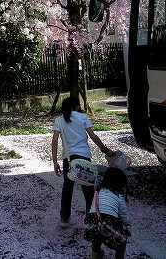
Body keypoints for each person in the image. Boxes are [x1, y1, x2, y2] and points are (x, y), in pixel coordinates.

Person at [51, 96, 115, 227]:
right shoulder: (83, 118)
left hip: (68, 159)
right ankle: (90, 220)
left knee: (67, 189)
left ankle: (64, 219)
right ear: (76, 106)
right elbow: (93, 136)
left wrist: (55, 161)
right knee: (88, 191)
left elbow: (55, 141)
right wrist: (105, 150)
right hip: (84, 158)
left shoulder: (59, 120)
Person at [89, 167, 131, 259]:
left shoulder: (99, 191)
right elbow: (123, 214)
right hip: (109, 221)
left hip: (93, 219)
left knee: (96, 237)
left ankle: (95, 255)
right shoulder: (119, 196)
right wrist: (127, 224)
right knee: (121, 242)